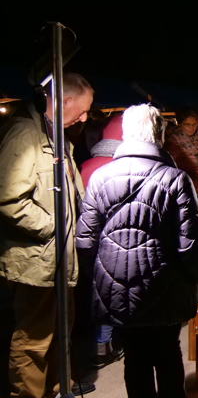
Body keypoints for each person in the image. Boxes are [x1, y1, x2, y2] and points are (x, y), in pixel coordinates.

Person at [76, 104, 198, 398]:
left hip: (119, 289)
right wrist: (196, 276)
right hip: (167, 285)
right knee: (167, 355)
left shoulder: (100, 177)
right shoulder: (175, 179)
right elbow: (192, 243)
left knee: (135, 359)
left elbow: (85, 241)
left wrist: (102, 276)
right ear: (159, 135)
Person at [0, 73, 95, 397]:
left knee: (59, 331)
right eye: (82, 110)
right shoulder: (24, 134)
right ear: (64, 100)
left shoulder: (55, 136)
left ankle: (58, 386)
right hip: (36, 262)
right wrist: (55, 226)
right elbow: (9, 199)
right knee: (33, 340)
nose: (85, 118)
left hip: (57, 259)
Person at [79, 114, 126, 370]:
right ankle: (108, 343)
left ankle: (97, 345)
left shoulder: (85, 165)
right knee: (115, 294)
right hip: (114, 241)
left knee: (93, 292)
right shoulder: (119, 168)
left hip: (84, 238)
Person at [164, 107, 198, 255]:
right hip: (187, 188)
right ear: (180, 124)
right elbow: (170, 166)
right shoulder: (173, 141)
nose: (192, 128)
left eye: (194, 124)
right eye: (187, 124)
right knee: (192, 227)